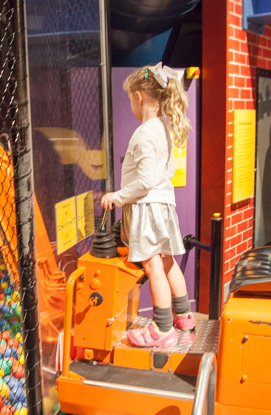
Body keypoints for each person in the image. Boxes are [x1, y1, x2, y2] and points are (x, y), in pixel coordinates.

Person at [100, 63, 193, 348]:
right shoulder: (162, 129)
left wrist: (116, 196)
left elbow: (145, 179)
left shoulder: (143, 133)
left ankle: (162, 328)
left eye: (130, 98)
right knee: (167, 262)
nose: (130, 103)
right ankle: (184, 315)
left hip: (148, 206)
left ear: (139, 96)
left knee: (153, 265)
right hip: (164, 206)